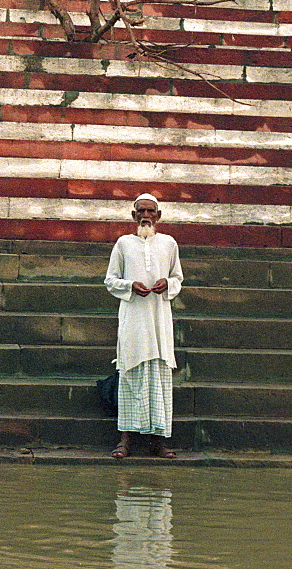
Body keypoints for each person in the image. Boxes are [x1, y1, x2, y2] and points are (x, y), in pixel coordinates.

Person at [105, 193, 183, 458]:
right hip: (133, 321)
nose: (146, 216)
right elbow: (110, 280)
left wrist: (167, 283)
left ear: (158, 216)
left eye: (151, 211)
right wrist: (130, 285)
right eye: (141, 211)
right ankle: (125, 440)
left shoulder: (169, 244)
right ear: (134, 215)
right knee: (129, 375)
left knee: (159, 378)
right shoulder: (123, 244)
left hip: (159, 321)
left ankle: (157, 441)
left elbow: (178, 278)